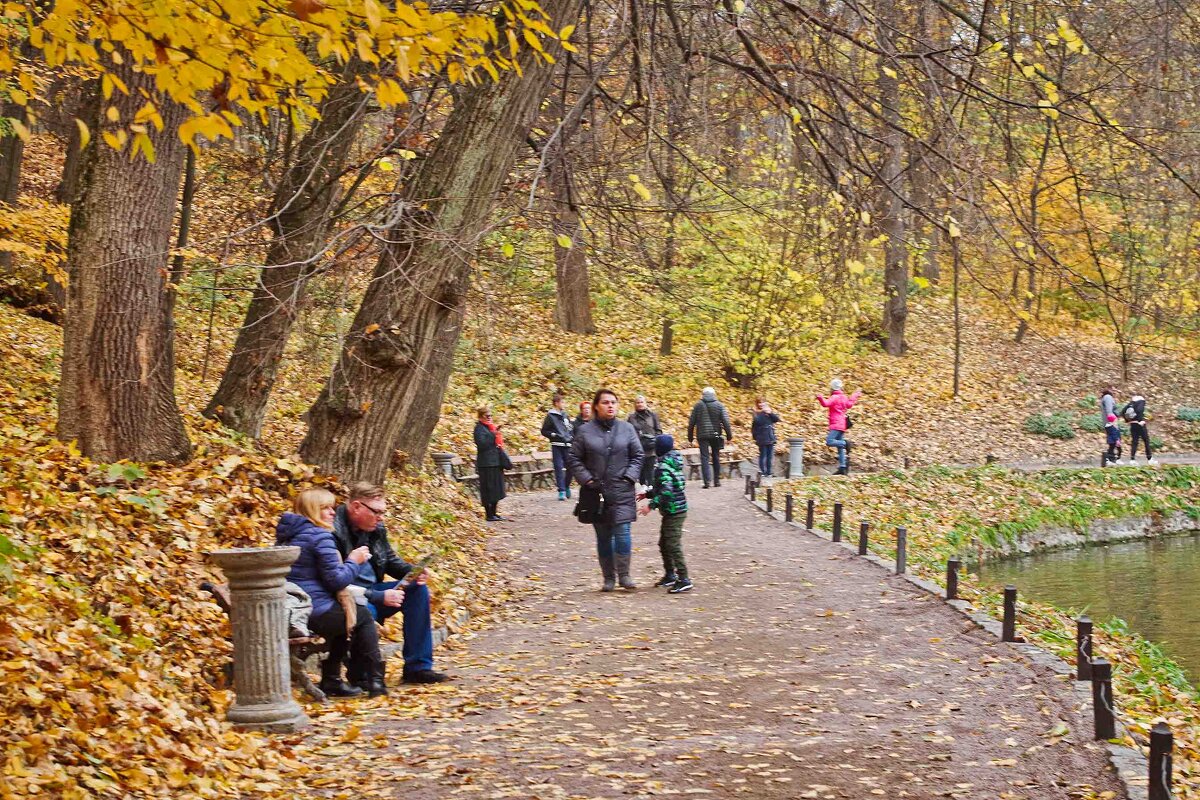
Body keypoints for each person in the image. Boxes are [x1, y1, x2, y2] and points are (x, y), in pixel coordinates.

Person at [332, 482, 449, 687]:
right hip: (345, 596)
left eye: (383, 512)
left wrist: (412, 572)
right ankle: (363, 673)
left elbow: (389, 560)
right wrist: (374, 595)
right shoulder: (332, 530)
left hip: (374, 592)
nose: (381, 518)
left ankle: (418, 667)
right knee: (365, 610)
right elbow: (333, 580)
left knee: (418, 590)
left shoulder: (376, 528)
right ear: (357, 506)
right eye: (376, 512)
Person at [275, 487, 382, 698]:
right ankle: (375, 680)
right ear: (313, 510)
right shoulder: (320, 536)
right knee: (362, 617)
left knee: (345, 619)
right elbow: (336, 580)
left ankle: (333, 680)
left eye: (332, 508)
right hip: (311, 610)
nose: (333, 513)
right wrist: (354, 560)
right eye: (326, 508)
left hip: (295, 607)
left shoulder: (289, 535)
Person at [568, 388, 644, 592]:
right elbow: (573, 458)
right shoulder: (585, 431)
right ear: (596, 406)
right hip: (596, 492)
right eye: (605, 402)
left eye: (614, 402)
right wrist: (587, 479)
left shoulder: (627, 429)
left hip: (622, 489)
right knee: (603, 536)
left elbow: (638, 455)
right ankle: (608, 577)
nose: (610, 406)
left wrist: (629, 476)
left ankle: (625, 575)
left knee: (623, 532)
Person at [639, 434, 692, 593]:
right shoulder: (673, 463)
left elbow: (667, 492)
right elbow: (667, 486)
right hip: (674, 510)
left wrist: (651, 505)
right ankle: (670, 575)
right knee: (664, 544)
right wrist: (648, 494)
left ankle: (684, 578)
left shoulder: (663, 467)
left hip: (674, 510)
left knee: (673, 545)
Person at [687, 387, 733, 488]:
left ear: (703, 394)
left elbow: (691, 423)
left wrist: (690, 437)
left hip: (702, 435)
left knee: (704, 457)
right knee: (716, 457)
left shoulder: (698, 405)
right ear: (714, 394)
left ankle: (706, 482)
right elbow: (726, 421)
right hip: (716, 435)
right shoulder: (719, 405)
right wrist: (729, 436)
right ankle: (717, 481)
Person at [817, 379, 861, 475]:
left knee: (830, 441)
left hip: (836, 424)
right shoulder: (844, 397)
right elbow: (849, 405)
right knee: (840, 447)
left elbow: (825, 404)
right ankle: (842, 467)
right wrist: (855, 395)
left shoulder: (834, 397)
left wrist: (820, 397)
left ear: (832, 388)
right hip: (842, 424)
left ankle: (846, 443)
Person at [474, 406, 508, 521]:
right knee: (488, 490)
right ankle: (489, 514)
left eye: (490, 416)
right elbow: (482, 444)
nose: (489, 418)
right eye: (486, 416)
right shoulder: (479, 429)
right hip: (486, 464)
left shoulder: (490, 428)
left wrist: (495, 433)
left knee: (497, 490)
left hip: (496, 462)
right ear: (480, 416)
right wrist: (493, 434)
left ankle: (494, 512)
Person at [541, 394, 574, 501]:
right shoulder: (550, 416)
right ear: (556, 403)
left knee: (571, 467)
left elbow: (569, 427)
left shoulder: (565, 415)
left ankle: (566, 485)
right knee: (559, 468)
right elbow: (544, 431)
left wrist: (571, 436)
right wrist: (554, 435)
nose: (564, 404)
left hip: (567, 444)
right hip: (557, 445)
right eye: (562, 402)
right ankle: (561, 491)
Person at [627, 394, 663, 487]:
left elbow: (658, 430)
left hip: (651, 448)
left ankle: (651, 489)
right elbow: (628, 432)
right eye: (638, 402)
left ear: (645, 403)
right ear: (635, 405)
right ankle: (643, 487)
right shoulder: (631, 417)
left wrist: (655, 440)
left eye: (642, 402)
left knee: (651, 470)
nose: (640, 404)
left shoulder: (653, 415)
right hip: (638, 447)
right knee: (641, 471)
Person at [1120, 392, 1156, 464]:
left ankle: (1132, 459)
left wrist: (1127, 420)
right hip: (1140, 424)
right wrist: (1140, 420)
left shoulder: (1131, 403)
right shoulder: (1141, 401)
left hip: (1133, 424)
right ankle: (1149, 459)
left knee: (1134, 442)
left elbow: (1122, 412)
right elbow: (1139, 410)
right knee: (1146, 440)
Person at [751, 398, 781, 478]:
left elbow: (777, 419)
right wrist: (755, 437)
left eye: (762, 402)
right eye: (759, 403)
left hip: (770, 436)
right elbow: (757, 423)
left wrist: (770, 413)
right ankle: (763, 472)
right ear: (757, 404)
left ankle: (769, 472)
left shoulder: (768, 411)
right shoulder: (756, 413)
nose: (761, 404)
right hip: (761, 437)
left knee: (770, 456)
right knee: (763, 455)